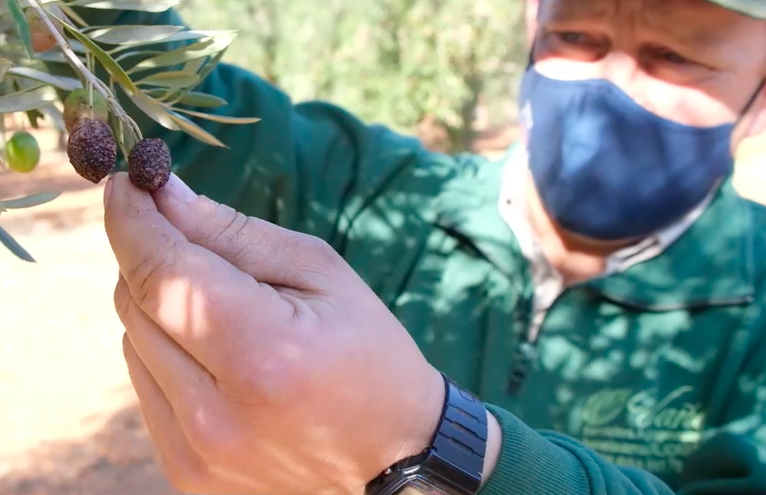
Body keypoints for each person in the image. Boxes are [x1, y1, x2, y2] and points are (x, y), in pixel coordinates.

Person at [72, 0, 766, 493]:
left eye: (676, 56)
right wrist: (67, 24)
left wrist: (437, 449)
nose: (608, 84)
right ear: (532, 25)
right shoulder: (380, 196)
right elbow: (189, 106)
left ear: (759, 96)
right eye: (576, 35)